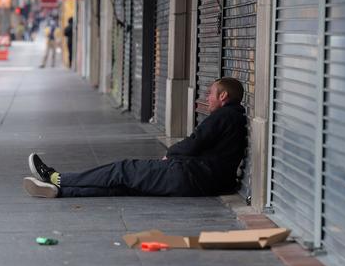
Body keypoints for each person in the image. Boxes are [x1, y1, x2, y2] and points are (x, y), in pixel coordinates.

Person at [22, 77, 247, 198]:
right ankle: (61, 191)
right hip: (201, 181)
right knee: (126, 186)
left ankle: (58, 178)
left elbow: (195, 142)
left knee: (122, 170)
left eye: (211, 94)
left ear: (224, 96)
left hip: (189, 176)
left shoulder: (224, 116)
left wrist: (171, 154)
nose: (207, 98)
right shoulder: (234, 118)